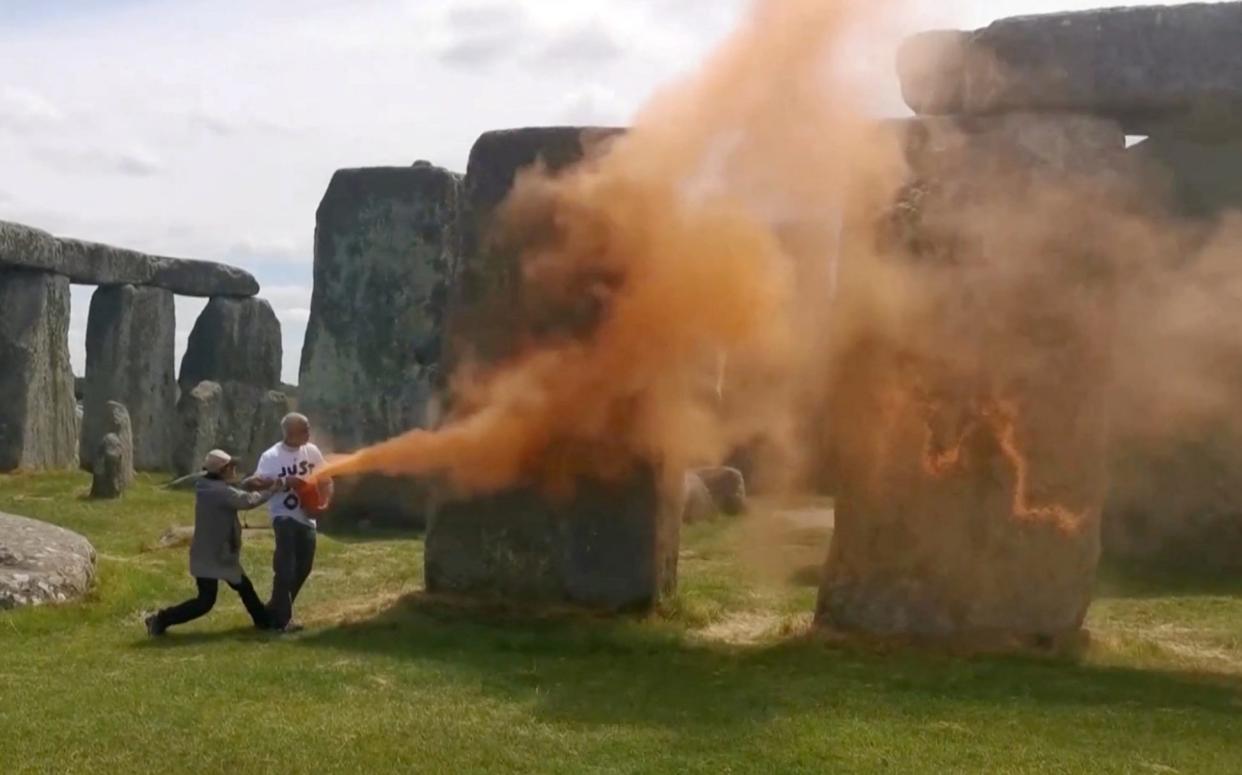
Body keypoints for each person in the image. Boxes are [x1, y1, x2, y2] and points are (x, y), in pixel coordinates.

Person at [146, 450, 283, 636]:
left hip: (212, 553)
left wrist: (250, 484)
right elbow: (248, 501)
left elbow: (233, 491)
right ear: (222, 470)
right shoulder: (219, 492)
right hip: (215, 555)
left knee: (237, 590)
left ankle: (264, 621)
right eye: (231, 467)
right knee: (207, 602)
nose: (235, 469)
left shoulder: (209, 486)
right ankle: (160, 619)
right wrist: (273, 489)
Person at [247, 413, 333, 633]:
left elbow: (326, 479)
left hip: (307, 519)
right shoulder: (272, 456)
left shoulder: (312, 451)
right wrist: (285, 482)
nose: (309, 432)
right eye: (304, 429)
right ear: (290, 432)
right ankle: (282, 620)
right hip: (283, 516)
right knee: (285, 567)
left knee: (304, 567)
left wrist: (324, 503)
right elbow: (252, 482)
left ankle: (275, 611)